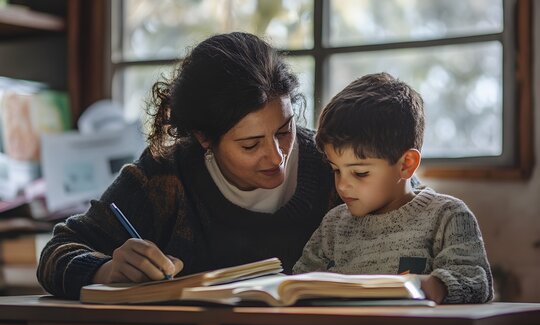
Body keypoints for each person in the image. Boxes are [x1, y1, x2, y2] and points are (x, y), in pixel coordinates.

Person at [37, 32, 340, 299]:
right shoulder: (165, 175)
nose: (276, 157)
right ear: (204, 137)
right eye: (251, 145)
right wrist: (106, 270)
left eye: (285, 131)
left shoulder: (334, 165)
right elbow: (55, 255)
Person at [293, 72, 493, 304]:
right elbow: (299, 281)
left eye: (360, 173)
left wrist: (435, 286)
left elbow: (476, 281)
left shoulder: (447, 217)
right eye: (336, 170)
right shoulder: (333, 225)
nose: (343, 184)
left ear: (406, 165)